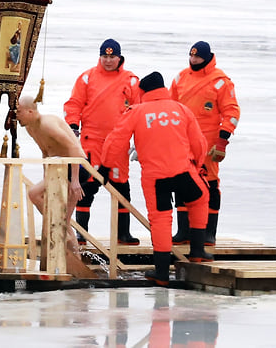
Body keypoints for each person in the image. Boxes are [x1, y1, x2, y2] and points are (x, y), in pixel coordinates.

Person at [103, 72, 212, 286]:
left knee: (161, 219)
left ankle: (161, 272)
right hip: (184, 171)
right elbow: (199, 143)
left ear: (143, 91)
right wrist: (197, 165)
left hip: (156, 177)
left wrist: (106, 166)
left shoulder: (136, 111)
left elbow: (116, 140)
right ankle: (198, 251)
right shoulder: (182, 109)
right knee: (200, 198)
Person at [64, 39, 141, 245]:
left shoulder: (131, 80)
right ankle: (81, 233)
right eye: (104, 56)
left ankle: (123, 234)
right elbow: (73, 104)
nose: (108, 60)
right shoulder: (87, 78)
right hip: (91, 142)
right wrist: (72, 125)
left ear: (119, 57)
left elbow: (140, 111)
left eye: (112, 56)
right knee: (85, 188)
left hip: (119, 143)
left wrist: (141, 140)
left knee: (121, 187)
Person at [169, 41, 240, 247]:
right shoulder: (180, 78)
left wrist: (222, 140)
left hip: (208, 141)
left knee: (209, 183)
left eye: (198, 57)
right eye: (191, 57)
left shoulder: (221, 82)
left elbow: (232, 112)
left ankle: (209, 232)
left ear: (207, 58)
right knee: (181, 182)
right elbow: (170, 106)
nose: (194, 60)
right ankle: (183, 230)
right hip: (183, 139)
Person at [14, 94, 84, 253]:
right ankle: (74, 256)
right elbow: (45, 150)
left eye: (18, 112)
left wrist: (75, 181)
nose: (16, 116)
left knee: (36, 195)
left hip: (75, 167)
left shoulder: (48, 124)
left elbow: (74, 148)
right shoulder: (31, 127)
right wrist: (46, 176)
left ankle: (74, 256)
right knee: (62, 223)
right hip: (56, 168)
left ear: (30, 112)